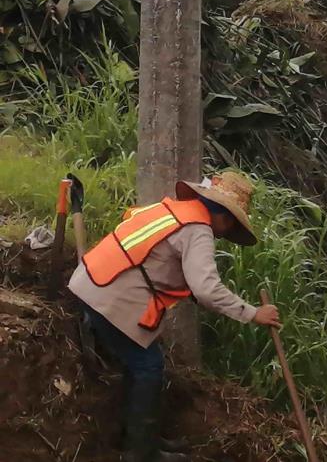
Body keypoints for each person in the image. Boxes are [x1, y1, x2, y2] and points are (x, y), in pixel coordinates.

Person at [68, 172, 281, 462]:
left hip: (91, 280)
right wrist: (254, 314)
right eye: (230, 223)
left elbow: (160, 260)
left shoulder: (172, 210)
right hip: (107, 294)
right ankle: (141, 453)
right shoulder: (198, 229)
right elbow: (206, 290)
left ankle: (137, 439)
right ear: (225, 216)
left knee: (140, 363)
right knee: (148, 366)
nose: (226, 231)